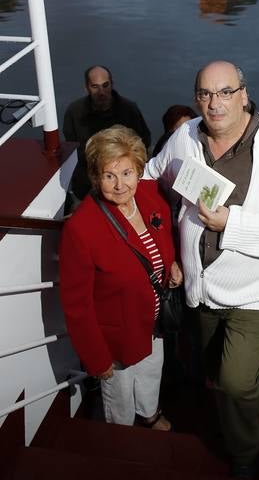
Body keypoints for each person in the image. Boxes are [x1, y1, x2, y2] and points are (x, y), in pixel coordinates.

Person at [144, 60, 259, 479]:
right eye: (204, 93)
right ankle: (236, 407)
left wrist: (231, 224)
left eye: (224, 92)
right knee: (212, 376)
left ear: (243, 93)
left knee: (235, 381)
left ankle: (245, 456)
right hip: (199, 291)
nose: (213, 103)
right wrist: (165, 247)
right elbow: (152, 180)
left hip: (254, 293)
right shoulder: (184, 137)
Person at [59, 125, 183, 428]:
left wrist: (174, 264)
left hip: (154, 323)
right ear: (95, 177)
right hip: (118, 338)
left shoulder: (151, 195)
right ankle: (123, 442)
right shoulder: (82, 228)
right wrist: (97, 359)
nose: (120, 185)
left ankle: (150, 413)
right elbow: (77, 306)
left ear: (139, 170)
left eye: (127, 173)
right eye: (109, 175)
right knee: (120, 400)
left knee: (152, 372)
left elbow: (166, 233)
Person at [63, 65, 151, 203]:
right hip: (86, 186)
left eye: (105, 85)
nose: (102, 92)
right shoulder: (74, 112)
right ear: (86, 88)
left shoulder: (129, 110)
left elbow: (144, 142)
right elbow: (72, 147)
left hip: (122, 184)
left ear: (112, 84)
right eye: (95, 87)